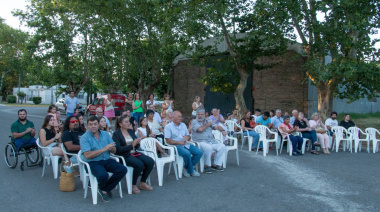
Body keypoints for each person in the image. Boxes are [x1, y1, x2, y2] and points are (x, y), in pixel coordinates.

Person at [80, 116, 127, 202]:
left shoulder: (105, 134)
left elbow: (114, 150)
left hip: (106, 159)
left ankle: (104, 189)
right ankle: (104, 189)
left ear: (98, 125)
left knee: (123, 169)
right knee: (103, 175)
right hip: (92, 162)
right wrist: (104, 149)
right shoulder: (84, 137)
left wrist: (112, 148)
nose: (93, 126)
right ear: (87, 126)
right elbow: (87, 155)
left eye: (95, 124)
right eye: (90, 124)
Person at [112, 115, 154, 194]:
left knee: (150, 161)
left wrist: (137, 143)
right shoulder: (116, 134)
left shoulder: (130, 131)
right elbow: (118, 150)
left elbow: (135, 145)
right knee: (139, 164)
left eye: (129, 121)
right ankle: (133, 184)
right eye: (126, 122)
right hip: (124, 155)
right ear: (120, 124)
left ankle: (142, 182)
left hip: (134, 152)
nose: (129, 123)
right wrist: (131, 145)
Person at [165, 111, 203, 177]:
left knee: (199, 152)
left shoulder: (183, 125)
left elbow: (188, 136)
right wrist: (179, 142)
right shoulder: (168, 127)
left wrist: (187, 137)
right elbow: (168, 140)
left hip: (185, 144)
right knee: (187, 153)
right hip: (175, 146)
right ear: (173, 117)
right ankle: (191, 170)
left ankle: (185, 168)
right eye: (179, 117)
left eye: (181, 116)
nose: (181, 118)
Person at [191, 108, 226, 173]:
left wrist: (222, 130)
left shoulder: (208, 121)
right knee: (208, 147)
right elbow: (200, 129)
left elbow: (216, 126)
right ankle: (207, 165)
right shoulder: (194, 122)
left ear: (204, 115)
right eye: (198, 114)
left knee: (222, 146)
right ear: (196, 115)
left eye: (202, 114)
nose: (200, 116)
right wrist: (207, 125)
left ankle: (216, 164)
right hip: (200, 142)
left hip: (210, 141)